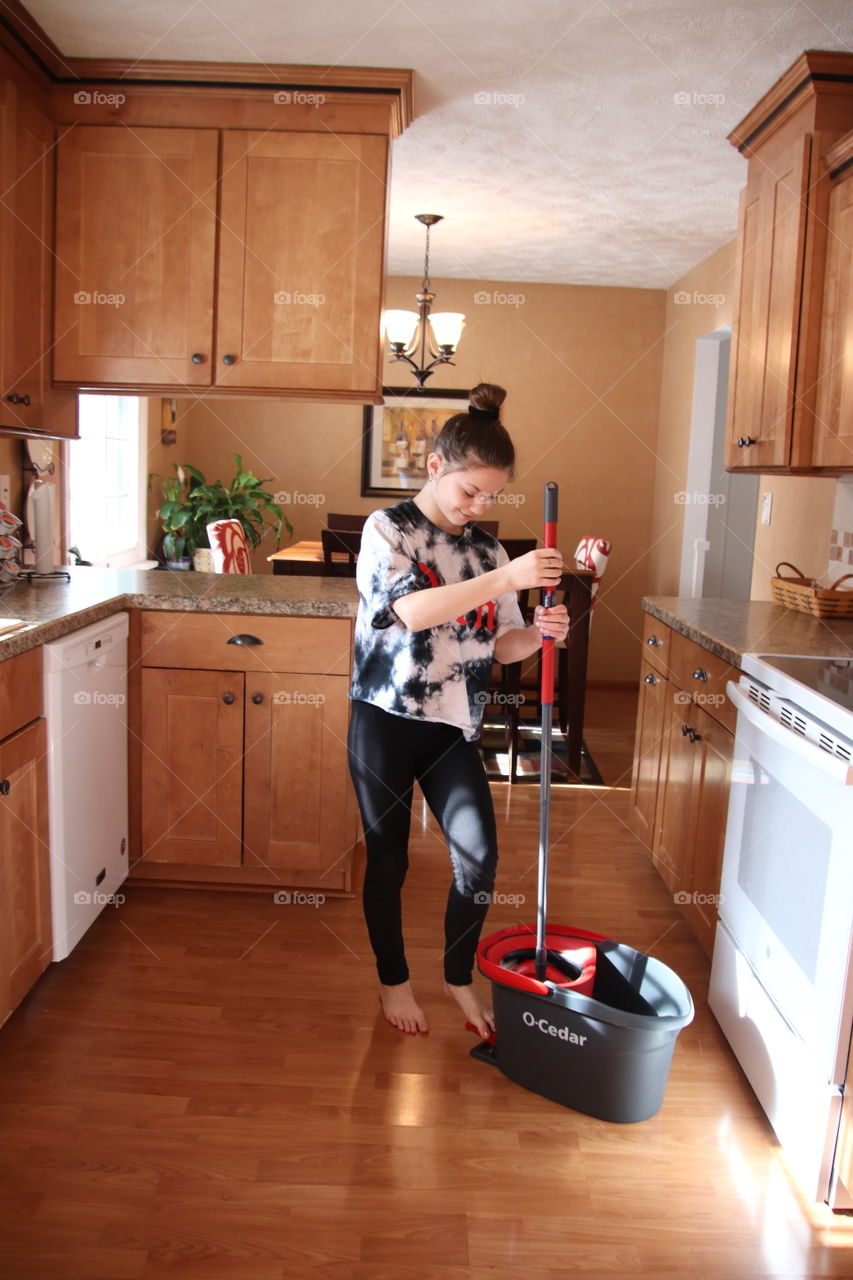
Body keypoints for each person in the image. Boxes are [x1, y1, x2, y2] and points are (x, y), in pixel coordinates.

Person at [347, 383, 569, 1037]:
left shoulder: (486, 553)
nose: (480, 506)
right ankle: (393, 984)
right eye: (470, 491)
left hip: (451, 726)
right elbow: (412, 611)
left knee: (478, 858)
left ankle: (456, 977)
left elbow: (502, 646)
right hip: (384, 720)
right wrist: (508, 579)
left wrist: (545, 632)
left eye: (492, 496)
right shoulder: (388, 530)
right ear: (436, 465)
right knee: (388, 860)